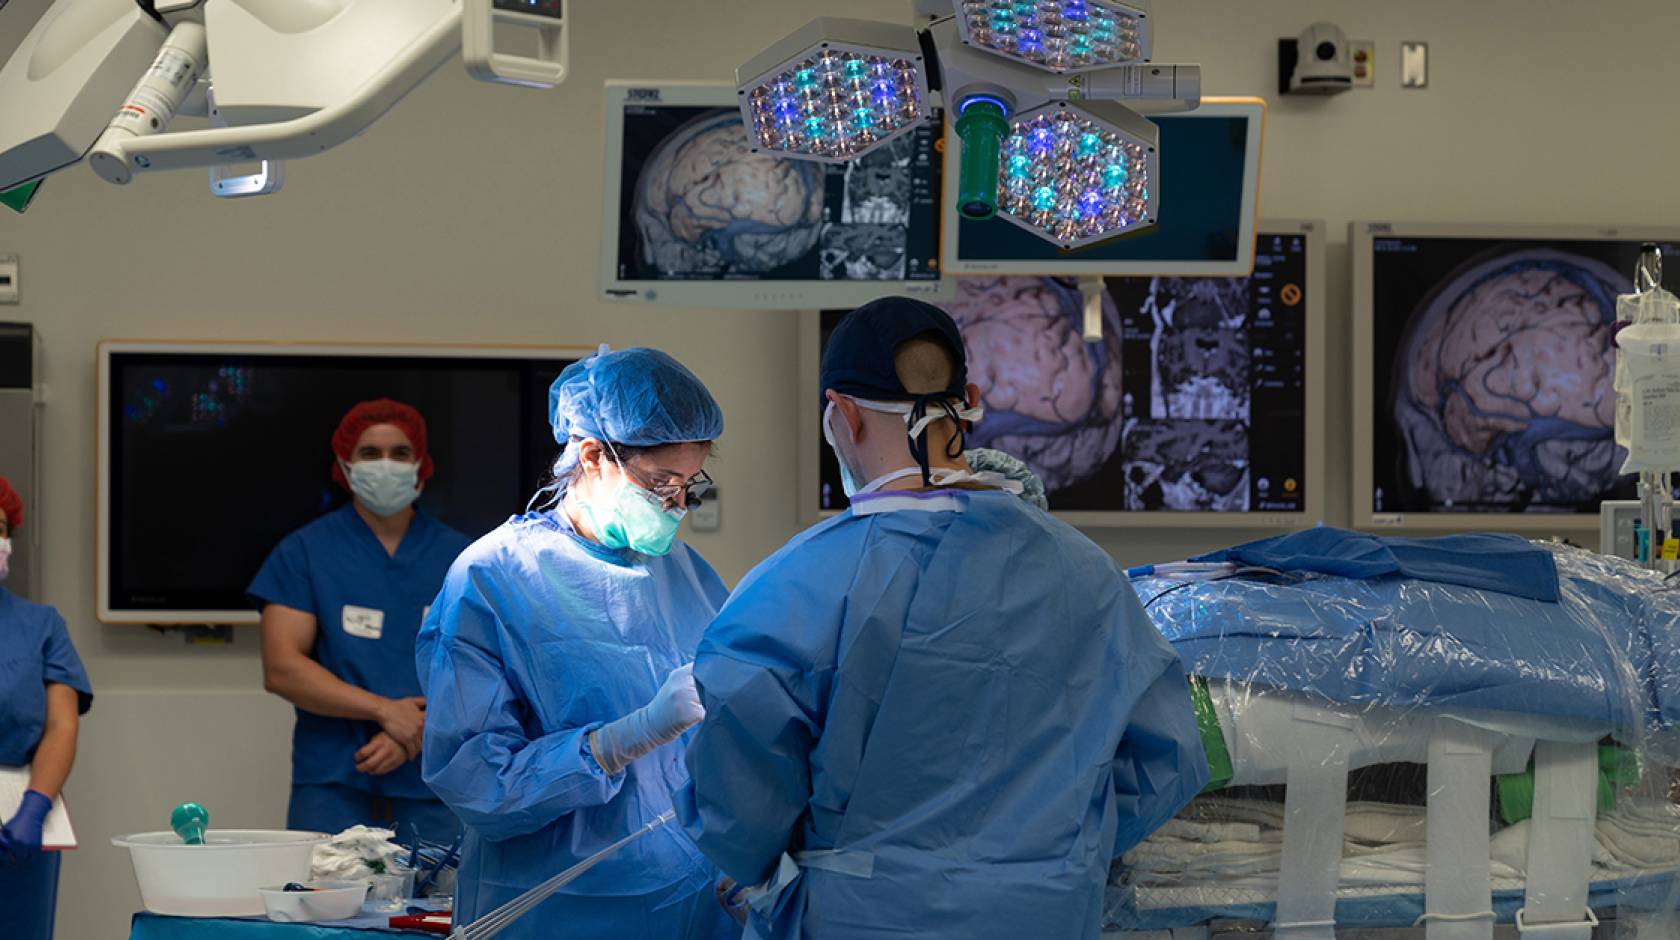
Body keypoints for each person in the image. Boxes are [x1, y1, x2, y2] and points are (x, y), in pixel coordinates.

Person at [679, 297, 1209, 939]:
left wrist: (773, 878)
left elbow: (736, 795)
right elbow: (1172, 755)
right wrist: (1050, 856)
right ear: (971, 400)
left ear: (840, 415)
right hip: (1045, 915)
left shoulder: (793, 588)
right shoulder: (1086, 572)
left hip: (863, 919)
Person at [417, 348, 738, 940]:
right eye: (660, 482)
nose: (675, 503)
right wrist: (621, 740)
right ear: (593, 455)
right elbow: (474, 782)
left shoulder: (685, 572)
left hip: (693, 900)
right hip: (557, 907)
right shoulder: (494, 579)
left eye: (688, 484)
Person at [250, 399, 470, 838]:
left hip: (436, 783)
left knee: (443, 907)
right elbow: (282, 668)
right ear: (345, 465)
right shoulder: (306, 553)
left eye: (400, 453)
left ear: (421, 465)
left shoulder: (462, 559)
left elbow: (485, 667)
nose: (385, 464)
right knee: (328, 903)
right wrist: (387, 711)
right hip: (336, 783)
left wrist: (419, 729)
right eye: (370, 453)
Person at [0, 475, 92, 940]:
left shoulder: (41, 626)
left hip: (19, 819)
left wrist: (35, 807)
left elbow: (61, 725)